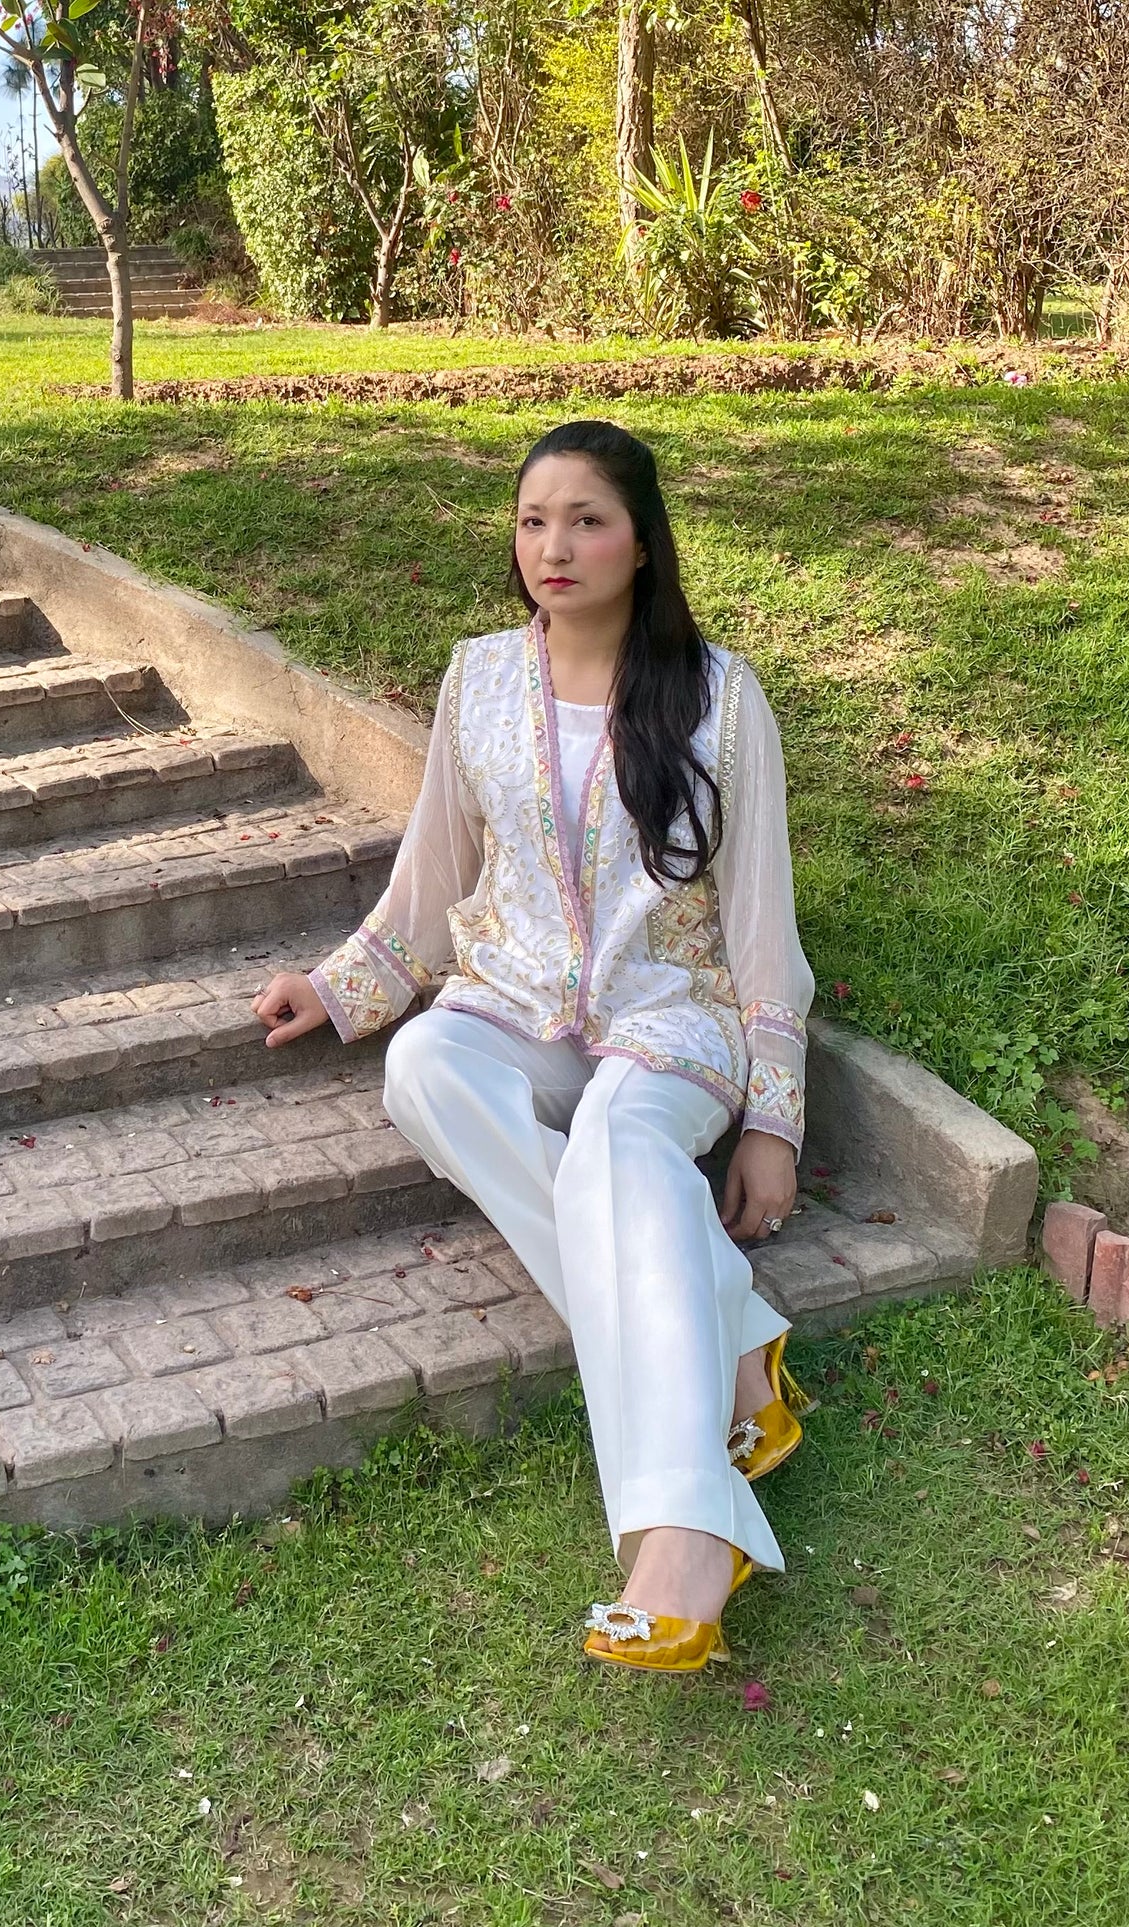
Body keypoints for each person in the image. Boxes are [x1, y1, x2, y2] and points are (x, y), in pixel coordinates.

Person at [250, 418, 815, 1675]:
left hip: (671, 1016)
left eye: (586, 520)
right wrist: (344, 988)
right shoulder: (479, 680)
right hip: (512, 1001)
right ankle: (730, 1344)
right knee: (422, 1068)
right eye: (530, 521)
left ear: (642, 543)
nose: (553, 547)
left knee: (618, 1137)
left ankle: (681, 1533)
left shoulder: (720, 698)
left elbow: (761, 927)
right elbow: (433, 873)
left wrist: (771, 1123)